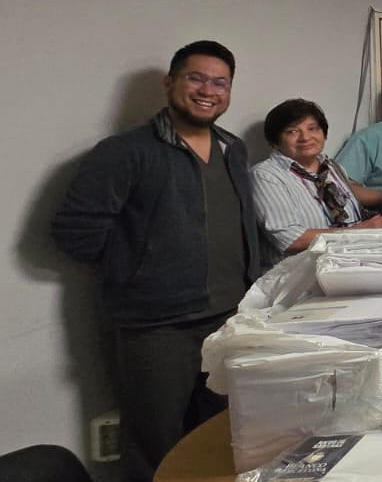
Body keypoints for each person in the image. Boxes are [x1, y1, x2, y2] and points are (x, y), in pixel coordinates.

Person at [52, 40, 262, 482]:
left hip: (230, 318)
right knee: (155, 446)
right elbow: (76, 235)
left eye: (220, 83)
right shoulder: (124, 152)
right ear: (170, 83)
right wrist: (143, 270)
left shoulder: (233, 148)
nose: (208, 90)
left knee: (223, 434)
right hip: (158, 328)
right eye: (196, 78)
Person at [252, 99, 382, 261]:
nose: (305, 137)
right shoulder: (266, 175)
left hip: (347, 261)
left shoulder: (332, 168)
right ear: (275, 142)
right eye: (292, 131)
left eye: (312, 128)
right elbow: (292, 240)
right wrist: (359, 231)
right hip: (300, 270)